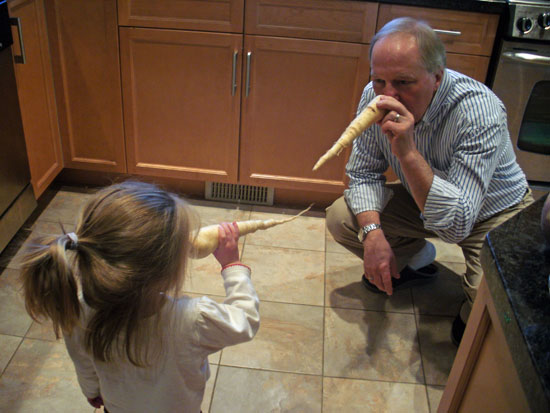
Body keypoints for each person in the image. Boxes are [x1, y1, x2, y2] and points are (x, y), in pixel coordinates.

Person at [325, 17, 534, 346]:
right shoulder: (373, 96)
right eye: (379, 80)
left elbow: (458, 225)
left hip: (494, 213)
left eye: (404, 82)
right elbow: (363, 173)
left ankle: (469, 302)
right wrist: (373, 234)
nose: (387, 96)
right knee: (342, 218)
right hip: (423, 201)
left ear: (437, 77)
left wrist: (408, 153)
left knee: (490, 308)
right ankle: (416, 258)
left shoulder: (479, 111)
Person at [20, 181, 260, 412]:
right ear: (166, 272)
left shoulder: (80, 310)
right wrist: (232, 265)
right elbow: (245, 319)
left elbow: (82, 360)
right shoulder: (192, 319)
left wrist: (92, 390)